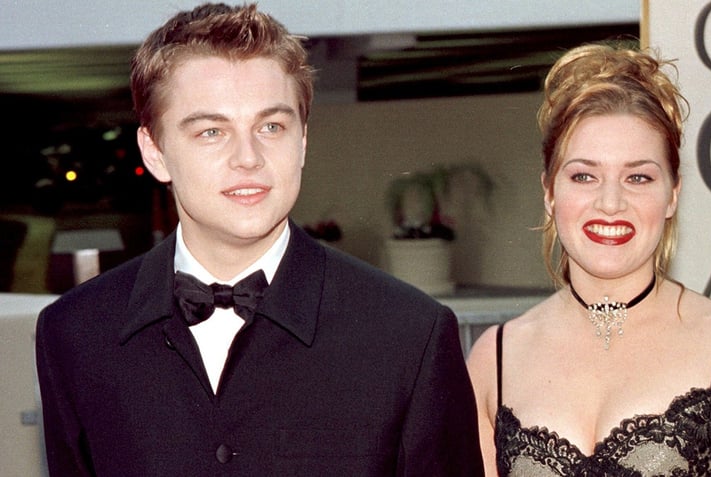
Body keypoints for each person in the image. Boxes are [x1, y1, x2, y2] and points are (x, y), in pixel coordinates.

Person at [36, 4, 483, 476]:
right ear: (155, 152)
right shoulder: (74, 333)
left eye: (271, 127)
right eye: (212, 131)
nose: (248, 157)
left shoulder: (409, 334)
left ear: (303, 141)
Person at [466, 43, 711, 476]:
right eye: (584, 175)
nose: (610, 202)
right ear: (549, 191)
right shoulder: (495, 358)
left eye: (638, 177)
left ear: (672, 195)